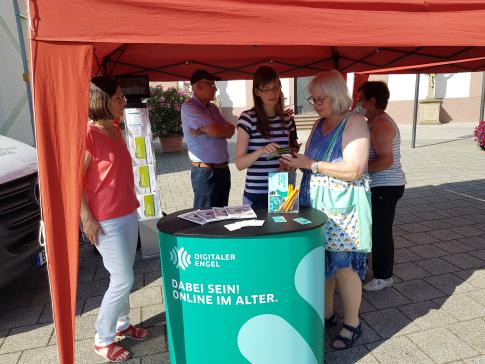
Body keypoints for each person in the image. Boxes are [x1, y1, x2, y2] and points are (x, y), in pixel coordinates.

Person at [280, 70, 370, 350]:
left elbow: (355, 169)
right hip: (316, 205)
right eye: (313, 99)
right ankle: (327, 314)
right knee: (323, 264)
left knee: (344, 266)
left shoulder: (354, 122)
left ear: (336, 96)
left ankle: (353, 323)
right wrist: (294, 161)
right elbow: (309, 159)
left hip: (343, 210)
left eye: (321, 99)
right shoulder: (320, 123)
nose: (315, 104)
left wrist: (310, 165)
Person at [82, 76, 149, 362]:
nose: (123, 101)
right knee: (123, 278)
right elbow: (73, 181)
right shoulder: (89, 134)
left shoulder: (115, 128)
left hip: (127, 212)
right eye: (118, 98)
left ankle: (122, 324)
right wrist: (85, 218)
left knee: (122, 273)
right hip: (105, 218)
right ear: (102, 100)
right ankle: (102, 338)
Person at [357, 81, 406, 291]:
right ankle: (377, 269)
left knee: (381, 230)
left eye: (360, 99)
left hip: (386, 186)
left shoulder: (380, 124)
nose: (357, 103)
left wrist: (356, 170)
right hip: (381, 185)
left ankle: (384, 276)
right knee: (375, 228)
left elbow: (385, 160)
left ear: (372, 101)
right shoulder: (374, 122)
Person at [235, 66, 299, 208]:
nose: (273, 93)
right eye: (267, 89)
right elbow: (239, 164)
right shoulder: (248, 118)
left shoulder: (286, 119)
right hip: (257, 192)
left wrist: (290, 161)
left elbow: (286, 151)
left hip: (282, 187)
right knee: (258, 230)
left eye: (276, 87)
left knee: (282, 229)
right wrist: (261, 151)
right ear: (257, 92)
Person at [181, 69, 235, 209]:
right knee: (205, 221)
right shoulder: (189, 107)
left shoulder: (212, 108)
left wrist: (206, 130)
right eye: (211, 84)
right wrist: (213, 130)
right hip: (205, 173)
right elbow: (217, 131)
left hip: (222, 170)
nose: (215, 88)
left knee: (222, 216)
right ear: (198, 87)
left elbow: (230, 130)